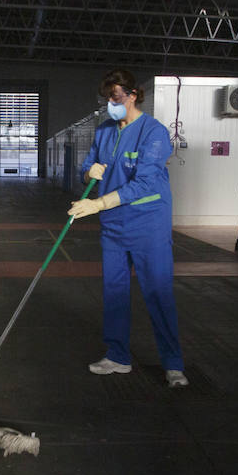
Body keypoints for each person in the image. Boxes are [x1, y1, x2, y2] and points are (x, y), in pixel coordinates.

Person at [68, 69, 187, 389]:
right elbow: (89, 165)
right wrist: (86, 170)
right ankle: (118, 356)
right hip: (113, 228)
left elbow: (146, 182)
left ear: (133, 95)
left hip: (148, 224)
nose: (111, 103)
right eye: (107, 98)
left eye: (117, 97)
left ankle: (173, 364)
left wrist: (98, 203)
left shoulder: (154, 133)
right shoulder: (105, 130)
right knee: (115, 292)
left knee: (158, 293)